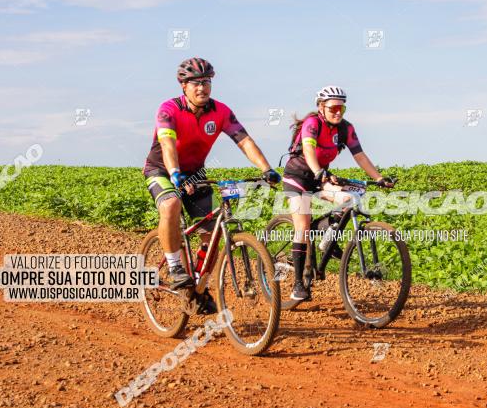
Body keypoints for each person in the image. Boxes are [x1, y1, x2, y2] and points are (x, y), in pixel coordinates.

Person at [143, 57, 281, 312]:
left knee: (212, 234)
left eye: (206, 82)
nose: (202, 88)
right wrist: (174, 173)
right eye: (195, 83)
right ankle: (174, 266)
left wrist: (267, 169)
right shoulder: (168, 109)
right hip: (161, 169)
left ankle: (198, 288)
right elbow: (167, 145)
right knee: (171, 203)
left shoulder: (221, 112)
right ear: (183, 85)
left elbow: (245, 141)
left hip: (195, 174)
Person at [282, 85, 394, 301]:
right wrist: (318, 171)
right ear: (321, 107)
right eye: (333, 108)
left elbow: (360, 155)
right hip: (297, 177)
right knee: (303, 227)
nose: (337, 112)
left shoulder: (345, 128)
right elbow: (308, 149)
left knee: (349, 198)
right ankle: (298, 285)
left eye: (342, 109)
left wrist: (378, 177)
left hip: (321, 175)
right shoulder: (312, 123)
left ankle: (327, 240)